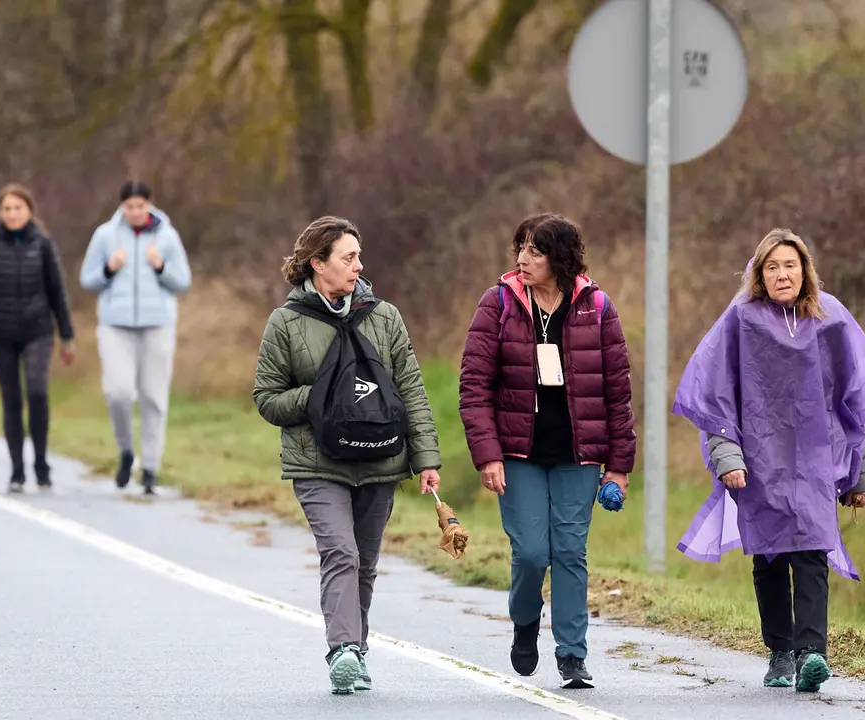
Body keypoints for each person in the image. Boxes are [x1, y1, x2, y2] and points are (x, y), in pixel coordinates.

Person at [673, 228, 865, 693]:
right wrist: (728, 457)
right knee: (772, 555)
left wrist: (860, 471)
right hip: (759, 459)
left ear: (805, 270)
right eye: (773, 266)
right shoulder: (741, 319)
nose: (782, 274)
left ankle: (812, 653)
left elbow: (849, 402)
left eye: (790, 265)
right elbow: (718, 397)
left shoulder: (831, 318)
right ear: (760, 273)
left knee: (814, 548)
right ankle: (779, 652)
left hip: (816, 458)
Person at [252, 216, 442, 695]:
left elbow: (412, 391)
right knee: (340, 551)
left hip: (380, 459)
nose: (359, 266)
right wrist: (318, 398)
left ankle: (356, 650)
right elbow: (267, 399)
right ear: (318, 263)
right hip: (318, 463)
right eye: (348, 257)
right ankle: (342, 650)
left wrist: (426, 459)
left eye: (358, 256)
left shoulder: (385, 317)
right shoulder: (286, 323)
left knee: (365, 563)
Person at [458, 212, 636, 690]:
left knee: (571, 552)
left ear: (560, 257)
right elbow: (473, 386)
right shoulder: (497, 303)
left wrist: (619, 467)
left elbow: (618, 394)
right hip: (518, 454)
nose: (522, 258)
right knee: (533, 552)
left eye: (534, 250)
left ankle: (573, 655)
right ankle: (525, 623)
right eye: (520, 248)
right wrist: (488, 454)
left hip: (578, 455)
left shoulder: (596, 307)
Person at [78, 180, 191, 494]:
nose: (135, 212)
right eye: (129, 207)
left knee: (153, 397)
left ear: (149, 205)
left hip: (157, 325)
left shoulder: (167, 236)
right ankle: (127, 450)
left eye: (141, 206)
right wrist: (109, 269)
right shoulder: (105, 236)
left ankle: (151, 468)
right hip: (116, 325)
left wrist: (161, 267)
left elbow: (183, 281)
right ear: (121, 207)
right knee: (118, 393)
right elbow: (87, 279)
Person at [0, 183, 76, 493]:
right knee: (11, 398)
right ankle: (17, 469)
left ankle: (41, 462)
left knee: (37, 390)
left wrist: (67, 336)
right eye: (7, 209)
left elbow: (58, 291)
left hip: (37, 330)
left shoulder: (43, 245)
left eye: (18, 208)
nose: (12, 214)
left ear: (29, 211)